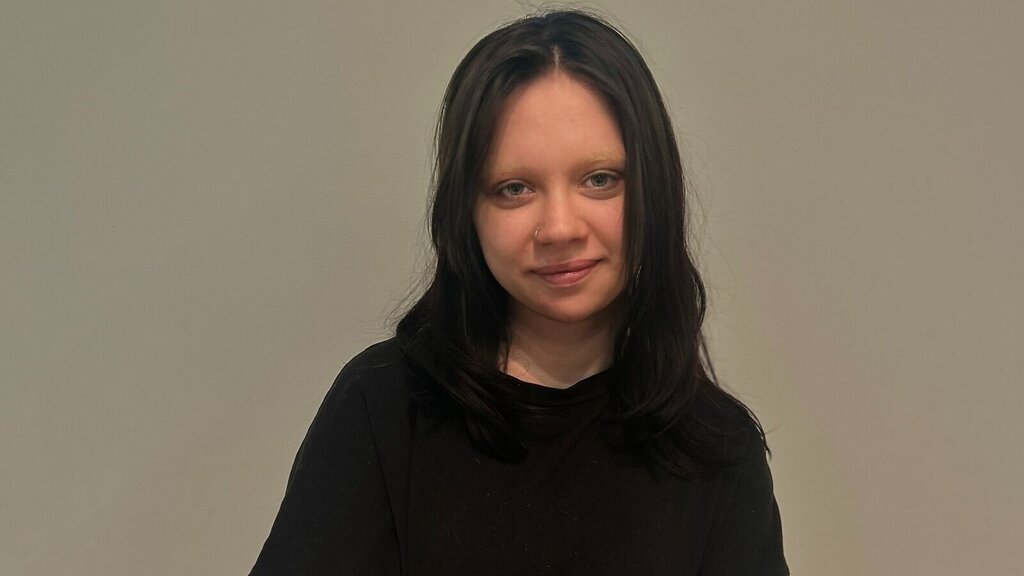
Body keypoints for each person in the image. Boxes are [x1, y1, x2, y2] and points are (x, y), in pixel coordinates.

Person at [250, 9, 787, 576]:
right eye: (514, 188)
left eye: (599, 180)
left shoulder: (717, 446)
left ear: (654, 189)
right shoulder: (384, 408)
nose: (559, 228)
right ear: (467, 212)